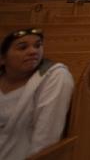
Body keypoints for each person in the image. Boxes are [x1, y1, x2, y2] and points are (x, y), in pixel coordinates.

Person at [0, 28, 74, 159]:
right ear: (2, 58)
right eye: (22, 48)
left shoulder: (54, 76)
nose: (33, 51)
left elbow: (45, 139)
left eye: (38, 45)